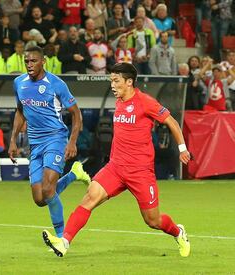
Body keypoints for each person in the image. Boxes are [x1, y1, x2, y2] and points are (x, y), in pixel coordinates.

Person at [42, 62, 191, 258]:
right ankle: (64, 242)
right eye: (111, 80)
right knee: (90, 197)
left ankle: (178, 232)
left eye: (116, 81)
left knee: (153, 220)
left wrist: (182, 148)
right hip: (115, 168)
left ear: (129, 82)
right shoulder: (119, 101)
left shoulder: (146, 102)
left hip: (140, 172)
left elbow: (171, 122)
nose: (112, 85)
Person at [8, 45, 91, 238]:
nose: (29, 65)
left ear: (43, 62)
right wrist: (13, 139)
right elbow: (20, 111)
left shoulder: (56, 84)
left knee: (47, 189)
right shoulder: (19, 83)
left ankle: (62, 238)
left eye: (33, 61)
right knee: (39, 198)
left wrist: (72, 142)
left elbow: (76, 114)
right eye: (26, 61)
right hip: (35, 143)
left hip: (55, 138)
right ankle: (73, 175)